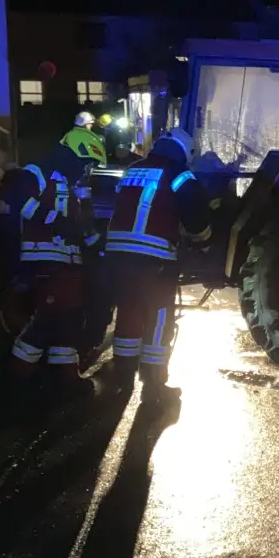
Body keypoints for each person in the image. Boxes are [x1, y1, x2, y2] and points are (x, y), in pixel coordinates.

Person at [105, 127, 214, 398]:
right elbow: (195, 212)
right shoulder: (180, 175)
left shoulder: (133, 169)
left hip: (117, 254)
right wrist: (203, 242)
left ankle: (123, 377)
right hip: (154, 256)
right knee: (159, 315)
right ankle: (153, 384)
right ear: (185, 152)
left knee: (129, 309)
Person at [5, 138, 102, 402]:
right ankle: (17, 377)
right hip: (44, 258)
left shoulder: (71, 184)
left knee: (68, 319)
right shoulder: (37, 173)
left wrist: (98, 247)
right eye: (86, 164)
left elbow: (81, 224)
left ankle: (66, 376)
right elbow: (19, 201)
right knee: (49, 320)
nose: (87, 170)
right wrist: (54, 221)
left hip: (67, 262)